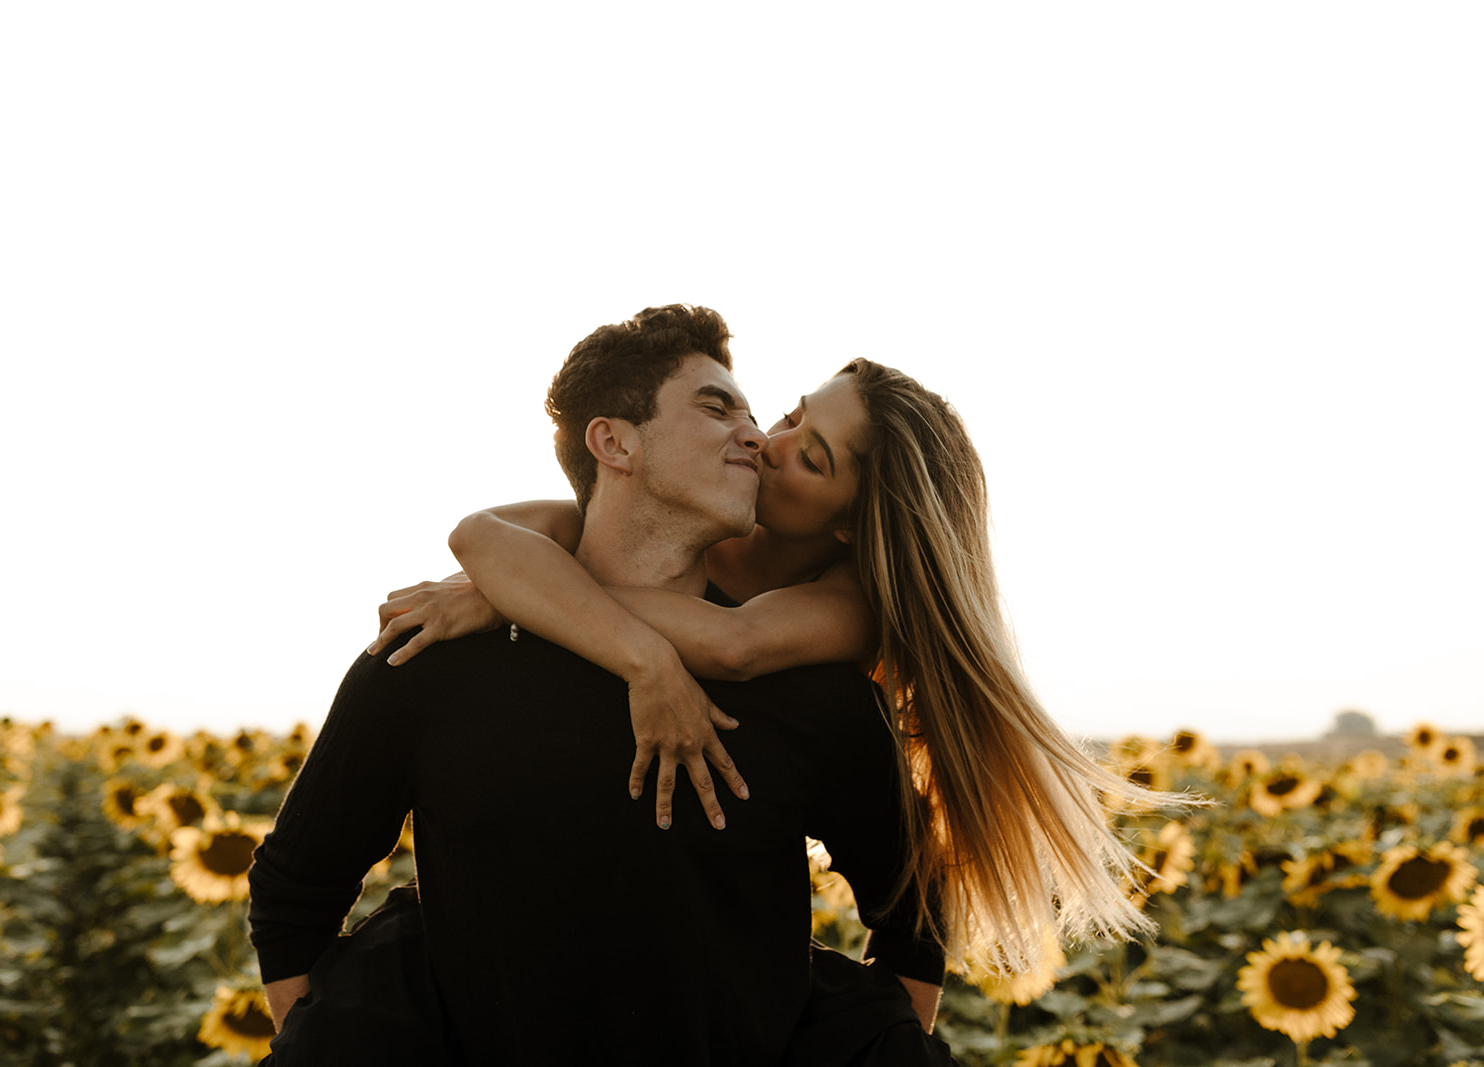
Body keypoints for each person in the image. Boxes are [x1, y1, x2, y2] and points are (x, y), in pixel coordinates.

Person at [248, 305, 956, 1065]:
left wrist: (506, 595)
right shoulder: (435, 654)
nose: (759, 437)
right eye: (720, 408)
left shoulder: (815, 687)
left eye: (784, 434)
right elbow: (295, 899)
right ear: (613, 440)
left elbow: (915, 925)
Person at [371, 351, 1168, 979]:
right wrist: (513, 587)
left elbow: (733, 645)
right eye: (790, 414)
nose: (768, 441)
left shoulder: (846, 604)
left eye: (811, 457)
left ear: (854, 526)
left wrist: (520, 595)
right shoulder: (689, 516)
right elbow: (481, 535)